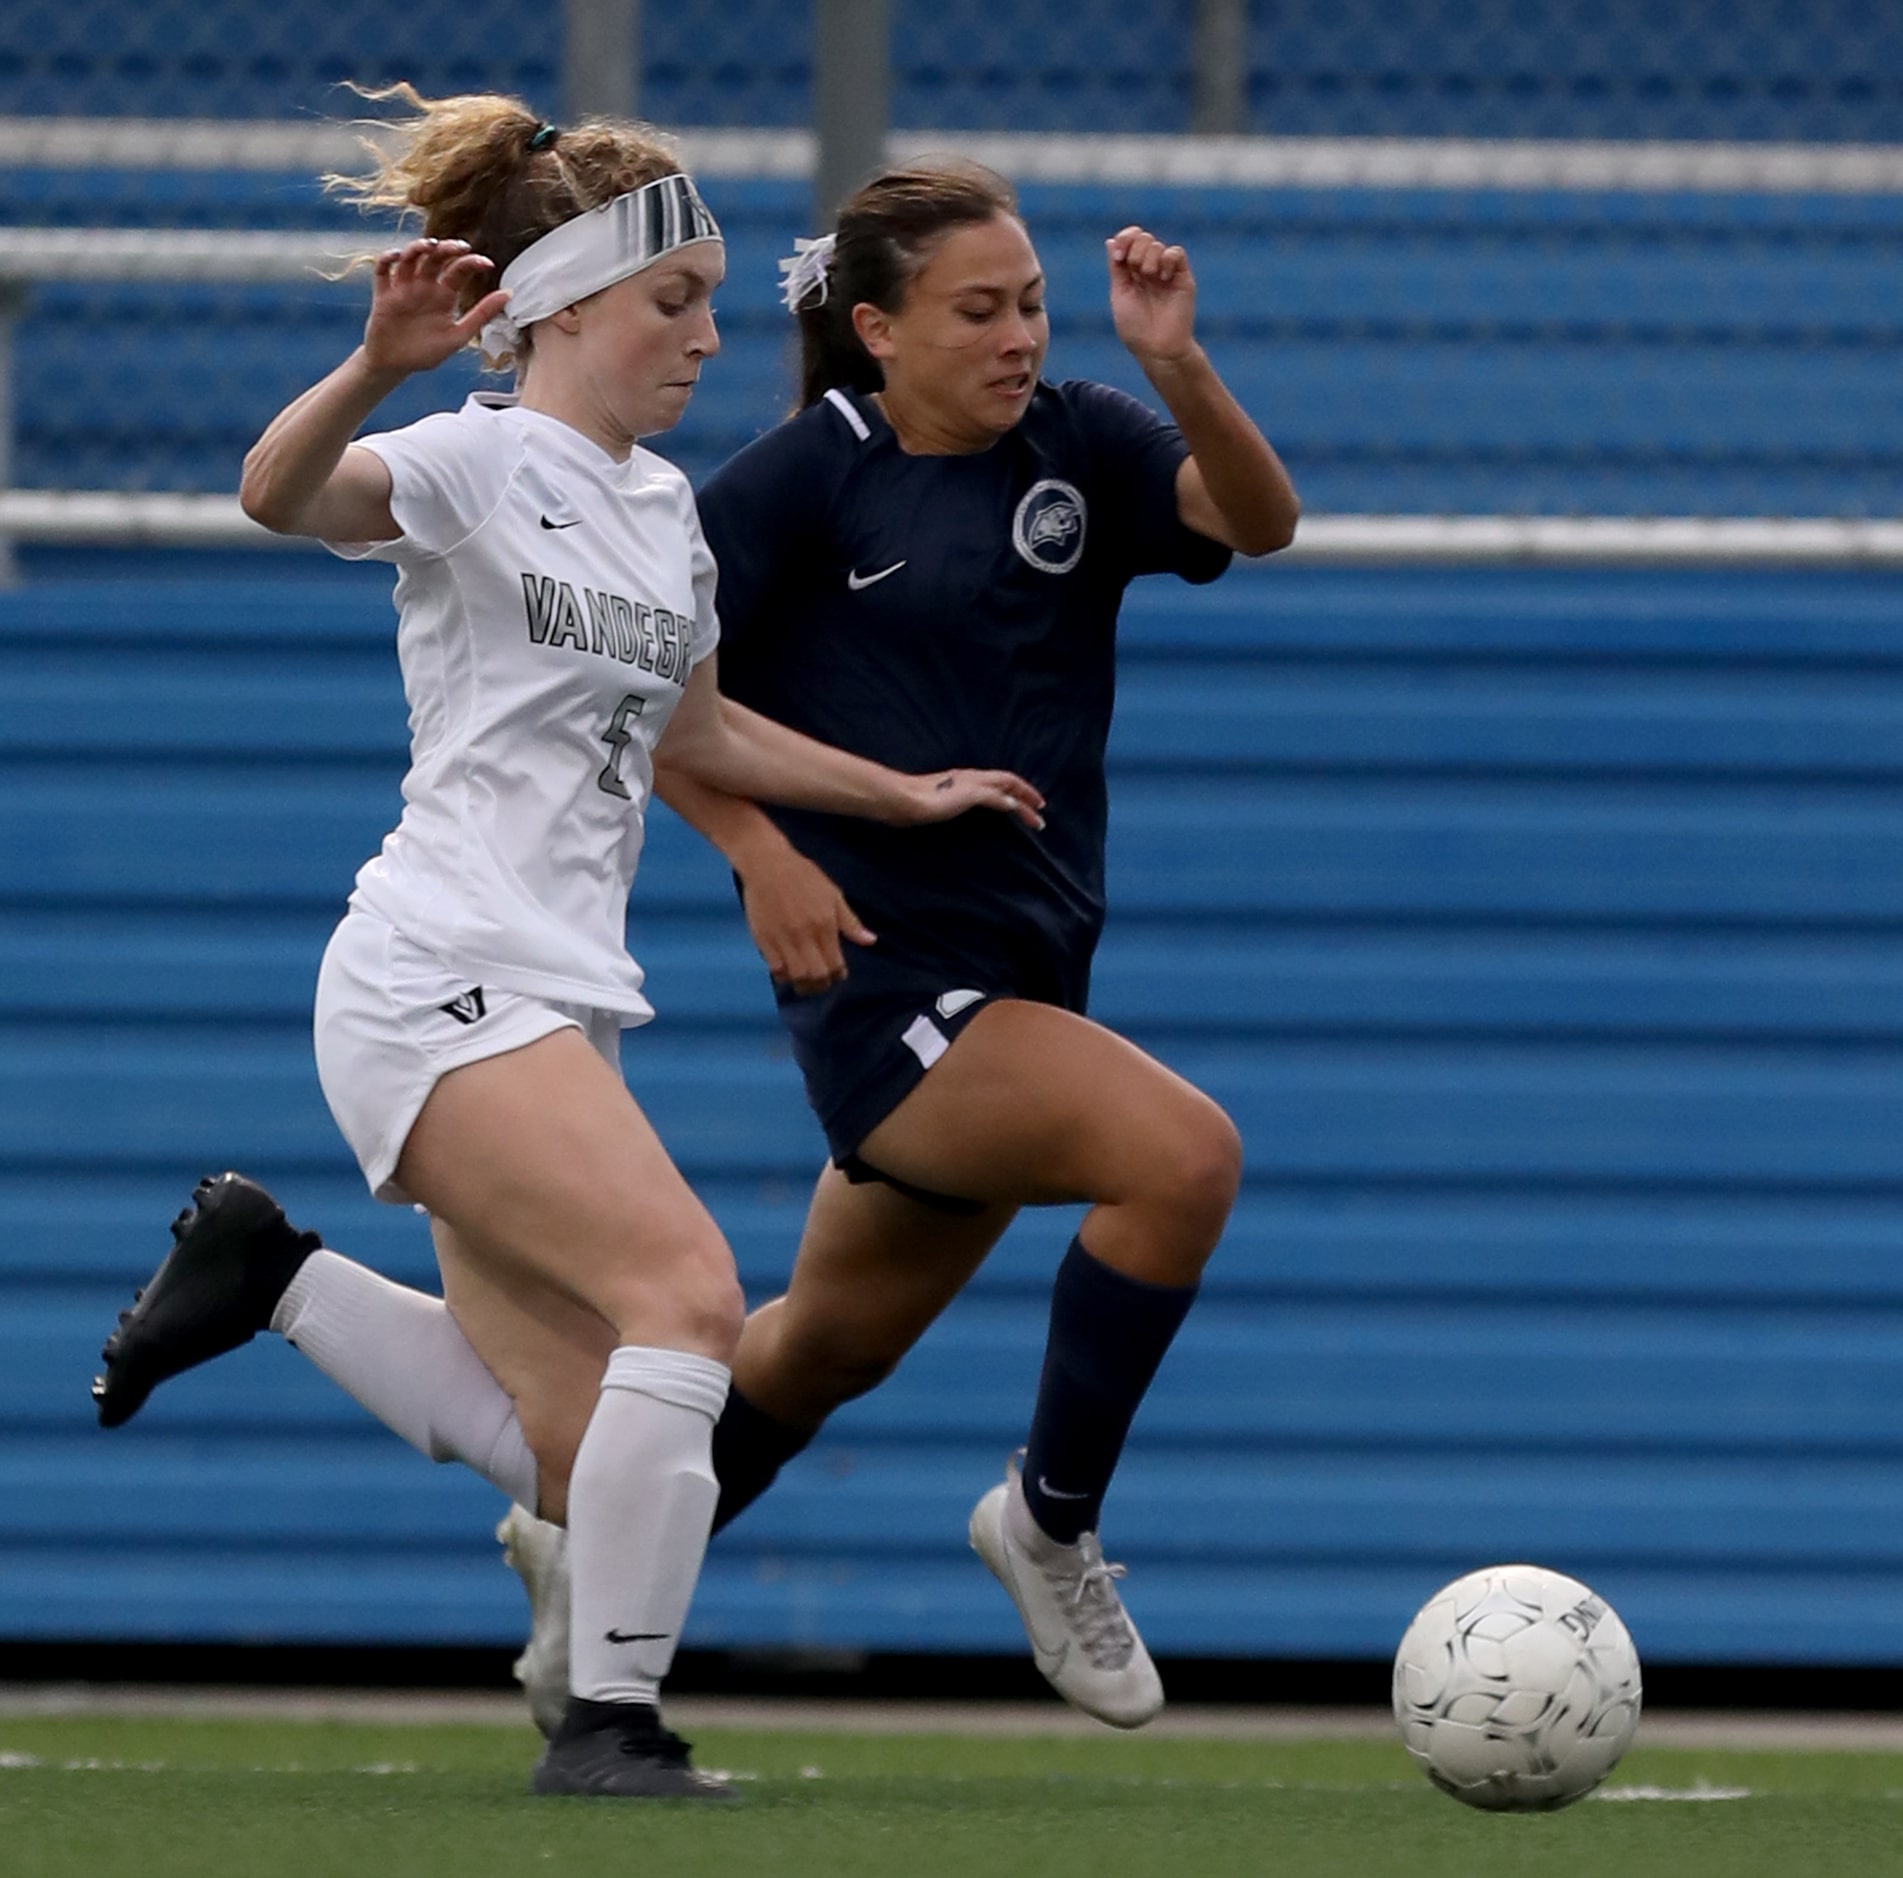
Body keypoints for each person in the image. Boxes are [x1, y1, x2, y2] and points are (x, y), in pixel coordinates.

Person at [88, 99, 1043, 1801]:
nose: (704, 330)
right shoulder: (474, 459)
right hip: (437, 970)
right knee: (689, 1295)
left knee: (573, 1442)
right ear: (562, 305)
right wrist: (377, 362)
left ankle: (271, 1271)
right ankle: (610, 1725)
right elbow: (273, 490)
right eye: (670, 295)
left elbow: (709, 736)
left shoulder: (662, 509)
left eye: (715, 296)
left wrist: (900, 793)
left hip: (551, 994)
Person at [496, 157, 1301, 1733]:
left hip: (1029, 972)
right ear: (877, 328)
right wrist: (758, 852)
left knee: (814, 1351)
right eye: (977, 310)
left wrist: (1174, 361)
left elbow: (1257, 522)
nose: (1017, 336)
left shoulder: (1085, 437)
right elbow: (646, 696)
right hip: (888, 981)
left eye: (1033, 305)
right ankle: (1050, 1523)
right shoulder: (802, 480)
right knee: (1185, 1159)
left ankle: (595, 1573)